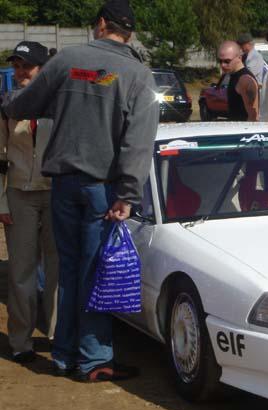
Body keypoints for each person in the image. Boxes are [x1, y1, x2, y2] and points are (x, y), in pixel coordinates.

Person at [3, 0, 159, 381]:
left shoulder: (68, 60)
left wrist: (13, 102)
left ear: (101, 24)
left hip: (62, 185)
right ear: (129, 34)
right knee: (93, 271)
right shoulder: (138, 75)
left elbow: (23, 103)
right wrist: (128, 195)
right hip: (102, 190)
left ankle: (64, 356)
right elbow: (138, 142)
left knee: (69, 270)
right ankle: (93, 359)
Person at [0, 41, 57, 364]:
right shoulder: (6, 105)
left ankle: (58, 339)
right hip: (18, 195)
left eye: (28, 66)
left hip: (55, 195)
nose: (21, 71)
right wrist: (1, 203)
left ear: (42, 69)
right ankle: (20, 342)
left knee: (57, 270)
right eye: (17, 65)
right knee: (21, 272)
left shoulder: (59, 102)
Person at [217, 41, 259, 121]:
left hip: (244, 128)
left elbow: (253, 116)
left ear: (239, 58)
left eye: (227, 61)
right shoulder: (234, 76)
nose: (222, 65)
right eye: (220, 61)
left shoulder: (245, 79)